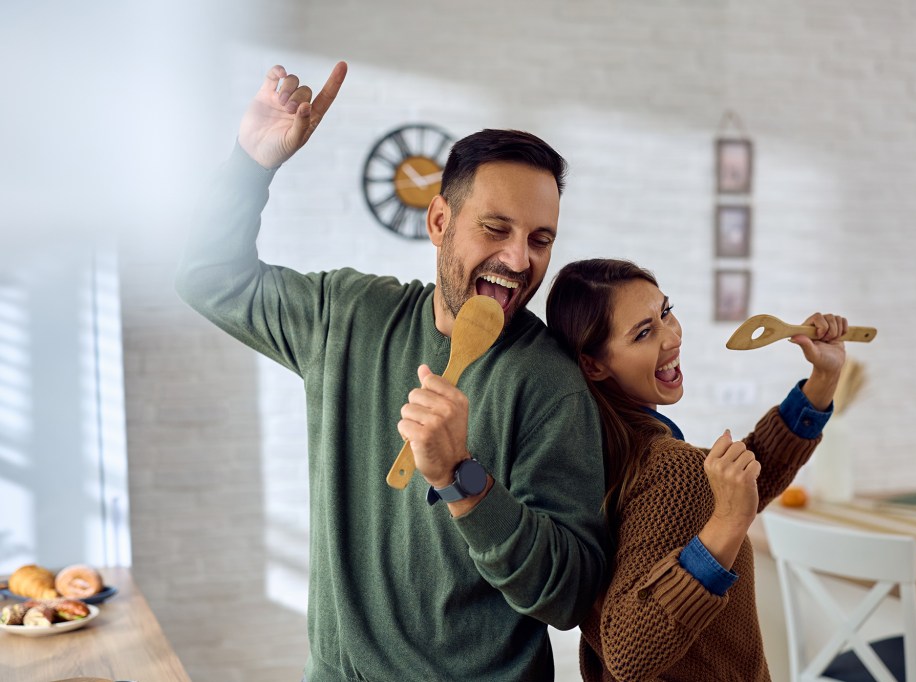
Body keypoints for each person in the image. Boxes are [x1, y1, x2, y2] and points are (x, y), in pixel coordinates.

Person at [175, 61, 607, 682]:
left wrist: (466, 482)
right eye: (496, 228)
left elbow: (569, 595)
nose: (519, 259)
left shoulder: (550, 384)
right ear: (439, 222)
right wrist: (251, 165)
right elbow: (208, 276)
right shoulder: (347, 317)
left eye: (540, 239)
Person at [545, 258, 847, 682]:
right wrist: (726, 524)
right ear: (594, 364)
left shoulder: (593, 454)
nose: (671, 337)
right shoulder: (669, 469)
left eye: (666, 312)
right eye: (644, 333)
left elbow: (737, 483)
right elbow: (629, 651)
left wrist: (822, 381)